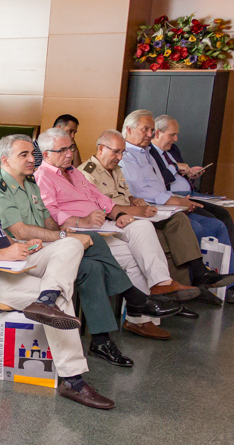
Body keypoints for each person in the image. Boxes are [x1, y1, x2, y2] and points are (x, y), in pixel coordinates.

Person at [0, 132, 113, 409]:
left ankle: (46, 299)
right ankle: (72, 380)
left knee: (70, 245)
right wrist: (3, 253)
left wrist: (16, 244)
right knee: (62, 299)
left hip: (10, 260)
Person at [0, 134, 179, 367]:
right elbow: (20, 231)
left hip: (43, 245)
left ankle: (101, 340)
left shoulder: (29, 182)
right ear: (5, 160)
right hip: (20, 254)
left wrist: (64, 233)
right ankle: (135, 298)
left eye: (32, 153)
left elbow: (48, 221)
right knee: (90, 241)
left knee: (92, 266)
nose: (32, 159)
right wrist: (64, 235)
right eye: (24, 155)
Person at [34, 128, 206, 340]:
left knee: (141, 227)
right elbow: (49, 212)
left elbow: (101, 198)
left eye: (70, 148)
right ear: (46, 154)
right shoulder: (42, 177)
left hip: (101, 225)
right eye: (62, 150)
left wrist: (119, 214)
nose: (69, 154)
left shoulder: (74, 172)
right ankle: (140, 316)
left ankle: (160, 285)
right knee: (133, 254)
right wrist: (81, 221)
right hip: (77, 231)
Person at [118, 111, 234, 305]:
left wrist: (177, 199)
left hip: (167, 203)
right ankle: (197, 284)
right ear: (128, 130)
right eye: (145, 129)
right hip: (152, 207)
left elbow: (159, 183)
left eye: (151, 130)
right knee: (195, 227)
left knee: (216, 225)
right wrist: (177, 201)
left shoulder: (147, 152)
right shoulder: (126, 155)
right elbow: (141, 190)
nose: (149, 134)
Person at [80, 129, 230, 311]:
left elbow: (124, 194)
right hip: (112, 222)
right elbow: (101, 208)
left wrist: (133, 199)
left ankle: (180, 284)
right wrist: (138, 210)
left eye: (122, 152)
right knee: (154, 234)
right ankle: (167, 294)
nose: (119, 157)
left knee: (177, 220)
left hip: (129, 215)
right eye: (115, 152)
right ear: (101, 149)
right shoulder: (87, 172)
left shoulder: (116, 168)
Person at [152, 114, 234, 279]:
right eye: (172, 135)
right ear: (157, 133)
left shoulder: (172, 150)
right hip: (174, 198)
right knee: (212, 220)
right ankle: (223, 270)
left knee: (222, 213)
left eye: (176, 134)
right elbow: (160, 181)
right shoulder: (151, 155)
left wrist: (190, 174)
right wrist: (176, 167)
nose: (175, 139)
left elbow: (180, 175)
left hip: (190, 193)